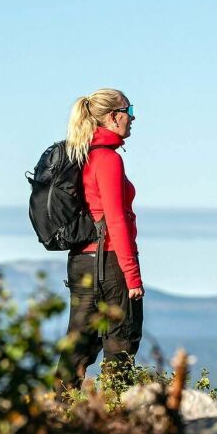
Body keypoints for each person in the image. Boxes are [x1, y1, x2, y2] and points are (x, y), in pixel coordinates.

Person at [55, 88, 143, 388]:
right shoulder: (107, 159)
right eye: (128, 112)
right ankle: (113, 418)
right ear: (112, 117)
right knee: (121, 343)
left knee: (78, 344)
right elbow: (115, 219)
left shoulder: (81, 154)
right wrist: (132, 277)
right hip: (108, 262)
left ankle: (58, 412)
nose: (132, 119)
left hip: (81, 260)